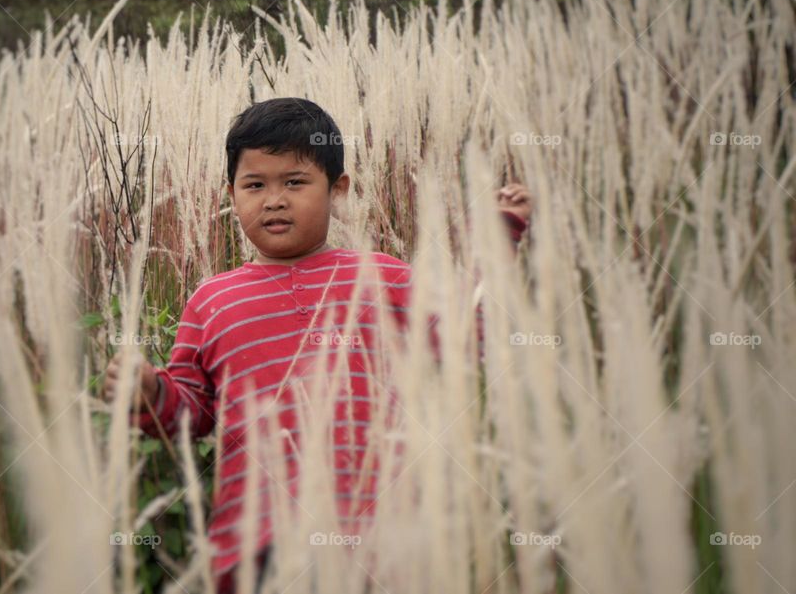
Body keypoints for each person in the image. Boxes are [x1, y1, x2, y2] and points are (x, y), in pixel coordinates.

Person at [103, 97, 532, 593]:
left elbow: (465, 338)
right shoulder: (211, 301)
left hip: (384, 533)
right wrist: (150, 393)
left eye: (295, 182)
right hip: (261, 541)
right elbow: (194, 412)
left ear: (338, 190)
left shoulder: (384, 277)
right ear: (231, 193)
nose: (274, 199)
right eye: (255, 185)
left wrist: (501, 235)